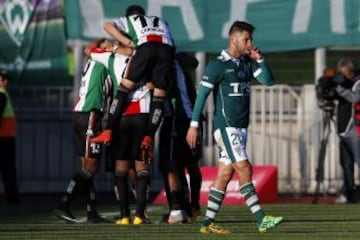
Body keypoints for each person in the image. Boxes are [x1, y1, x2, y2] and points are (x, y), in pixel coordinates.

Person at [186, 21, 283, 234]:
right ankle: (261, 219)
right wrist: (193, 125)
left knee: (224, 174)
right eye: (246, 39)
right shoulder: (218, 65)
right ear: (233, 39)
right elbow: (202, 95)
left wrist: (261, 60)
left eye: (250, 39)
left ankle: (207, 223)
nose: (250, 43)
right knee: (245, 168)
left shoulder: (246, 63)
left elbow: (268, 82)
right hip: (226, 127)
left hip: (240, 128)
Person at [91, 5, 175, 166]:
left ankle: (108, 130)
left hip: (145, 47)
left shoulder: (130, 20)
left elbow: (107, 26)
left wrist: (127, 41)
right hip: (166, 50)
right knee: (159, 96)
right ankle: (149, 136)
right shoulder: (162, 21)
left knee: (124, 88)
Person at [53, 39, 117, 223]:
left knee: (86, 166)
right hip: (90, 113)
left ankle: (91, 210)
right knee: (91, 167)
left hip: (81, 113)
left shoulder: (94, 59)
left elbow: (90, 49)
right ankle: (63, 203)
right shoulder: (104, 58)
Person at [89, 40, 153, 225]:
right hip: (143, 113)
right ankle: (140, 215)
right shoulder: (147, 57)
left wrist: (112, 47)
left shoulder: (111, 57)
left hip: (120, 115)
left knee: (121, 169)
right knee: (142, 168)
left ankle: (124, 215)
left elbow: (90, 50)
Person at [158, 53, 202, 224]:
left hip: (177, 118)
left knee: (171, 164)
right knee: (187, 163)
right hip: (193, 118)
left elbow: (193, 61)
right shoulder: (176, 62)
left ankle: (178, 210)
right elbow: (194, 62)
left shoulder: (166, 62)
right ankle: (191, 207)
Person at [334, 58, 360, 203]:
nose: (343, 75)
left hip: (355, 130)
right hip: (344, 130)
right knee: (346, 164)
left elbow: (355, 97)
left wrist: (340, 89)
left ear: (350, 70)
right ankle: (347, 193)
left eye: (344, 72)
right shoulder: (348, 84)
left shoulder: (358, 82)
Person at [0, 69, 20, 204]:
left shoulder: (3, 94)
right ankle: (13, 198)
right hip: (4, 138)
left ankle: (12, 197)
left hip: (6, 137)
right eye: (2, 78)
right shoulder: (1, 94)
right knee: (8, 168)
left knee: (8, 168)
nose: (5, 81)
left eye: (6, 79)